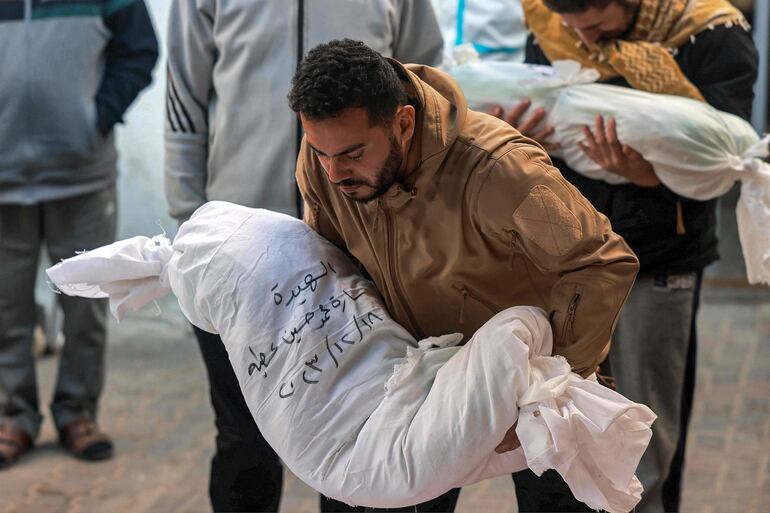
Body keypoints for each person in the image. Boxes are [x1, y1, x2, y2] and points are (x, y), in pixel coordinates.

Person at [289, 38, 640, 512]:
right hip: (421, 375)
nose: (333, 173)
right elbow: (337, 268)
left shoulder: (500, 169)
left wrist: (551, 389)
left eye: (351, 153)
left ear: (404, 124)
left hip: (537, 371)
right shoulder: (324, 162)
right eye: (320, 152)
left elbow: (598, 262)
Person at [163, 2, 443, 511]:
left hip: (364, 248)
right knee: (243, 436)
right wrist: (191, 216)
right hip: (241, 256)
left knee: (357, 436)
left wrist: (415, 212)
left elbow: (427, 83)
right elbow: (184, 91)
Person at [503, 0, 758, 510]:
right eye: (577, 30)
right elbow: (547, 112)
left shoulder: (711, 36)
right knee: (559, 416)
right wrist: (521, 138)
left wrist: (649, 175)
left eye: (598, 26)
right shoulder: (550, 23)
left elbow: (727, 161)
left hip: (658, 260)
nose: (588, 42)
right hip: (567, 256)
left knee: (646, 424)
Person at [0, 0, 158, 467]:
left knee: (87, 307)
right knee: (6, 308)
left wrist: (97, 118)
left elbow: (139, 50)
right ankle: (15, 417)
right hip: (3, 183)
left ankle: (78, 413)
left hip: (82, 177)